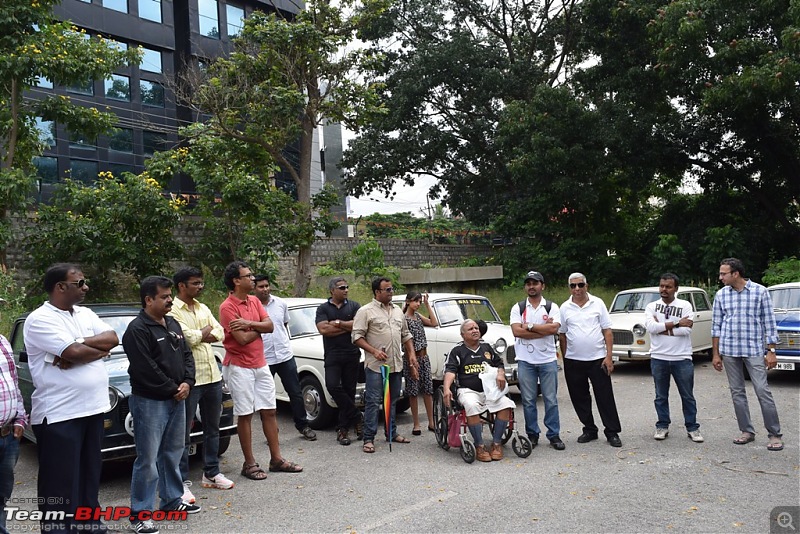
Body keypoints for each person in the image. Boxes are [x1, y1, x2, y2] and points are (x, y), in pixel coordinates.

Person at [23, 263, 119, 533]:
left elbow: (112, 338)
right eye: (80, 283)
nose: (86, 287)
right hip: (59, 415)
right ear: (60, 287)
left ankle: (90, 525)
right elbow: (74, 352)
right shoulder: (40, 319)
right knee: (60, 485)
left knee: (89, 478)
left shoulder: (85, 313)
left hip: (93, 409)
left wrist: (81, 345)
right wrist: (89, 348)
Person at [123, 276, 200, 534]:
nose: (170, 300)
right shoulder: (137, 329)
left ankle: (171, 500)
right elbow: (145, 368)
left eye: (170, 296)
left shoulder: (172, 322)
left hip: (178, 398)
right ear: (148, 300)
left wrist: (188, 382)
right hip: (150, 402)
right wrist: (172, 388)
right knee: (148, 459)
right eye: (165, 296)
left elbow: (187, 354)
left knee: (173, 451)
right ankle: (140, 514)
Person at [219, 261, 302, 479]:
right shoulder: (227, 307)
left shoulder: (254, 300)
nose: (252, 278)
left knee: (269, 410)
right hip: (239, 366)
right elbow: (243, 339)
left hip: (260, 363)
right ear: (237, 281)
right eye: (248, 276)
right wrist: (259, 326)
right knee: (246, 414)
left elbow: (271, 326)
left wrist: (249, 323)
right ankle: (250, 464)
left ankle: (276, 459)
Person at [168, 267, 232, 505]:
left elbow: (221, 333)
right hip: (190, 380)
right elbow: (184, 338)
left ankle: (211, 472)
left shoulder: (203, 307)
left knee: (213, 428)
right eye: (195, 283)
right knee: (182, 434)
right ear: (182, 286)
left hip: (212, 376)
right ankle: (181, 482)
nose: (200, 287)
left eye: (201, 283)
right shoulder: (172, 309)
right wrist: (201, 334)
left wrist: (200, 334)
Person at [711, 258, 783, 451]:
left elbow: (769, 323)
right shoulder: (721, 295)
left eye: (723, 274)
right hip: (730, 351)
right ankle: (746, 431)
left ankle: (774, 434)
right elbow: (716, 326)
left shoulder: (760, 292)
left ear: (736, 274)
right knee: (737, 393)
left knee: (762, 391)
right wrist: (716, 354)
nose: (720, 277)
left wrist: (771, 351)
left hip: (753, 350)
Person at [352, 277, 418, 453]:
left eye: (392, 289)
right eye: (387, 290)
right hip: (376, 365)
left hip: (396, 364)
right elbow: (356, 337)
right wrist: (373, 351)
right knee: (373, 401)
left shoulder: (397, 311)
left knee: (393, 399)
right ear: (377, 292)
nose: (391, 292)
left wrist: (411, 355)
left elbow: (406, 335)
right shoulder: (365, 311)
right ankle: (368, 438)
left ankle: (391, 433)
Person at [558, 272, 623, 447]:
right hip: (574, 360)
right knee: (579, 397)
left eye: (580, 285)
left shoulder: (598, 303)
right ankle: (589, 429)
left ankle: (612, 432)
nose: (577, 289)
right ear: (569, 288)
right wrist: (565, 359)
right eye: (573, 286)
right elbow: (562, 335)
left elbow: (607, 331)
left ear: (587, 285)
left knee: (605, 397)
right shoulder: (564, 308)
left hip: (598, 359)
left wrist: (609, 357)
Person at [443, 320, 516, 462]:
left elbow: (499, 363)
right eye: (470, 329)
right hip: (468, 390)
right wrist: (446, 389)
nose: (475, 330)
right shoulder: (457, 351)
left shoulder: (487, 347)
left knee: (506, 404)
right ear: (463, 334)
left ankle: (496, 444)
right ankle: (479, 445)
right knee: (471, 405)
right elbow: (450, 371)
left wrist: (500, 373)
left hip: (490, 390)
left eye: (476, 328)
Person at [254, 275, 317, 441]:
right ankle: (271, 434)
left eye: (267, 285)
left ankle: (303, 426)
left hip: (284, 355)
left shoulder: (280, 304)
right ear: (254, 288)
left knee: (295, 393)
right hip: (264, 358)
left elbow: (285, 325)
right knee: (266, 398)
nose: (265, 289)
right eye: (261, 286)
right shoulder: (251, 307)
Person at [644, 273, 703, 443]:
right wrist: (676, 324)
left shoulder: (685, 305)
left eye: (668, 286)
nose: (664, 289)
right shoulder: (652, 306)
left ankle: (692, 427)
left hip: (682, 357)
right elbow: (651, 327)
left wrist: (661, 328)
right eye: (662, 286)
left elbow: (687, 330)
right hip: (658, 357)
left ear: (675, 289)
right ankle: (662, 425)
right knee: (660, 396)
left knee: (687, 396)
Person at [510, 270, 564, 450]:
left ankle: (553, 435)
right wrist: (542, 329)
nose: (531, 286)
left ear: (542, 286)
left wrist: (530, 327)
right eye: (528, 283)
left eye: (535, 283)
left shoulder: (551, 307)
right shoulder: (518, 307)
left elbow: (553, 330)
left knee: (550, 399)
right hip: (525, 360)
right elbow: (517, 332)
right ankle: (532, 434)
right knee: (528, 400)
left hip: (547, 359)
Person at [315, 277, 362, 446]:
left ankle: (343, 429)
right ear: (332, 291)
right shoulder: (323, 308)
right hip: (333, 355)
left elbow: (358, 325)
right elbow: (323, 329)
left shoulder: (355, 306)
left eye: (347, 287)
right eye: (342, 287)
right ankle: (357, 416)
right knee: (332, 385)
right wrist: (346, 327)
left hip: (352, 353)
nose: (346, 290)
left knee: (349, 391)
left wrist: (337, 323)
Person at [0, 303, 28, 534]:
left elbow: (14, 384)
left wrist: (20, 419)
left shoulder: (2, 341)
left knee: (2, 493)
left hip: (8, 434)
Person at [402, 291, 438, 435]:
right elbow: (405, 341)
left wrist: (428, 304)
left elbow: (434, 323)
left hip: (424, 357)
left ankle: (431, 422)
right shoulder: (404, 319)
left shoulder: (417, 316)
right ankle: (416, 424)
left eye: (419, 302)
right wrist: (412, 362)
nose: (417, 304)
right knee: (413, 391)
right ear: (408, 302)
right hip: (412, 358)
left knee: (428, 390)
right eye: (415, 301)